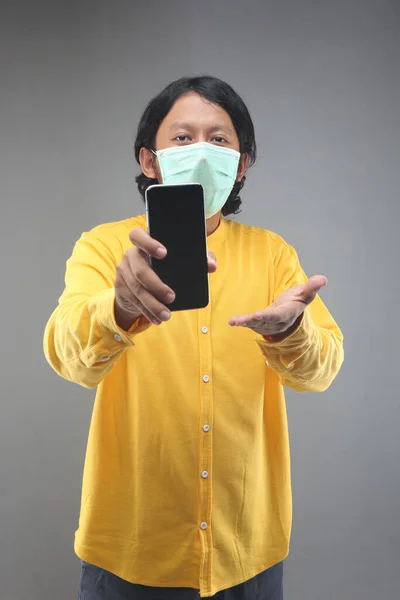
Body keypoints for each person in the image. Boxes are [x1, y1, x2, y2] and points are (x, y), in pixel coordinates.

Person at [43, 75, 344, 600]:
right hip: (131, 548)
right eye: (183, 137)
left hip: (246, 548)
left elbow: (320, 371)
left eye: (220, 139)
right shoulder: (103, 246)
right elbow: (70, 357)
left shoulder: (273, 254)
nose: (202, 150)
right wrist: (117, 307)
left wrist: (291, 330)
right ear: (149, 159)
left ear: (242, 164)